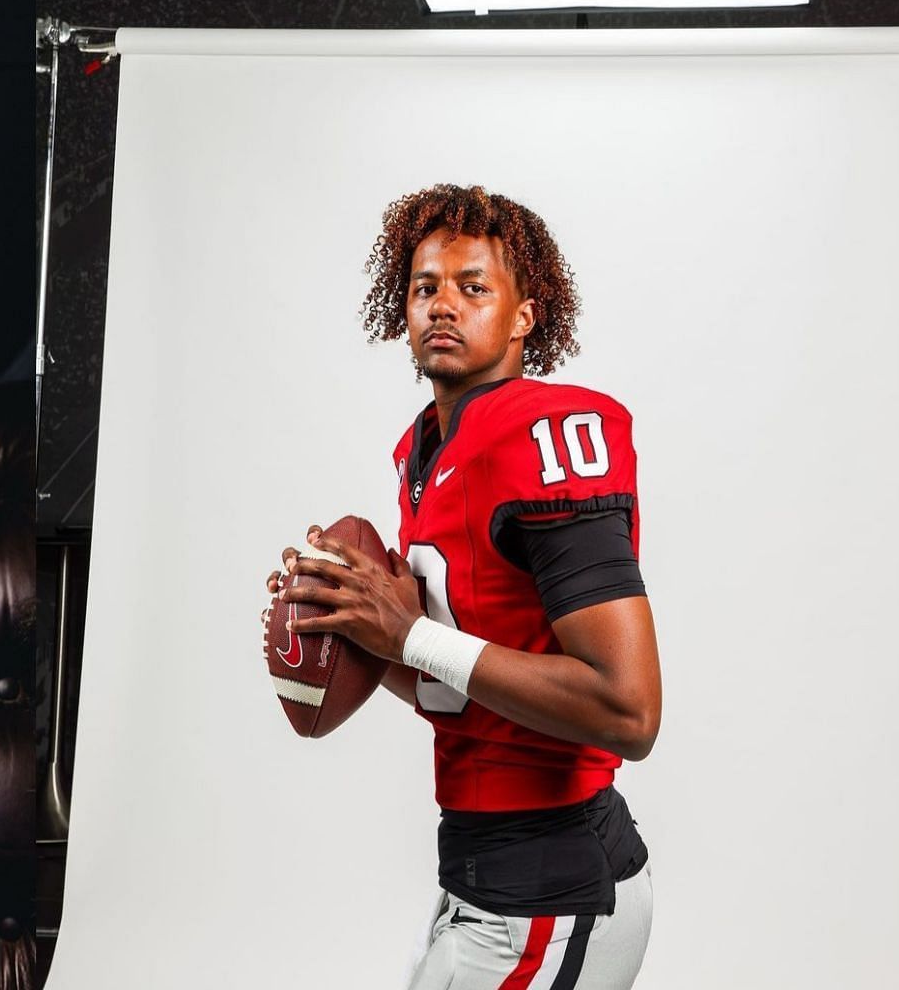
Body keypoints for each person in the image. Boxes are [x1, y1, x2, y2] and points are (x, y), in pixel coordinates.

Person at [268, 184, 660, 989]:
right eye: (425, 287)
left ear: (525, 315)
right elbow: (468, 687)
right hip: (480, 879)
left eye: (474, 286)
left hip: (552, 889)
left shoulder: (548, 434)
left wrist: (410, 638)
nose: (443, 304)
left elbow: (630, 710)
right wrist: (358, 631)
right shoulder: (425, 453)